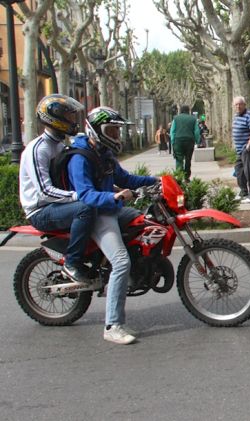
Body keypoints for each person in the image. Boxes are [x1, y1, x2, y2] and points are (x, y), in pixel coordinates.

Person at [67, 106, 158, 344]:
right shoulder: (80, 157)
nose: (116, 136)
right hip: (98, 213)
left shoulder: (104, 154)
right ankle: (113, 325)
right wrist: (114, 197)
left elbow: (125, 179)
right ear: (96, 130)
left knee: (143, 221)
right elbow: (85, 194)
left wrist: (157, 180)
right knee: (121, 262)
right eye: (111, 131)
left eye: (117, 131)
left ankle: (137, 270)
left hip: (111, 209)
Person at [19, 94, 96, 284]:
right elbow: (45, 191)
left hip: (56, 205)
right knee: (85, 209)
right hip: (41, 210)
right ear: (55, 119)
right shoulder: (39, 149)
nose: (72, 121)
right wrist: (78, 196)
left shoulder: (60, 144)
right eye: (68, 117)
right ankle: (72, 263)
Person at [232, 96, 250, 203]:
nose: (238, 106)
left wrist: (248, 145)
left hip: (247, 149)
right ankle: (244, 192)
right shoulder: (236, 116)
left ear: (244, 105)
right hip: (240, 150)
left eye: (240, 104)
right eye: (236, 104)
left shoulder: (249, 115)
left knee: (249, 172)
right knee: (239, 171)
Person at [169, 105, 200, 180]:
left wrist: (172, 142)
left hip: (178, 141)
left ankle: (179, 176)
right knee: (188, 159)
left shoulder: (175, 119)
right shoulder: (193, 119)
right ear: (188, 111)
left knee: (179, 159)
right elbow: (196, 131)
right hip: (189, 141)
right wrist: (197, 141)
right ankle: (186, 177)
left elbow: (172, 131)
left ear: (181, 111)